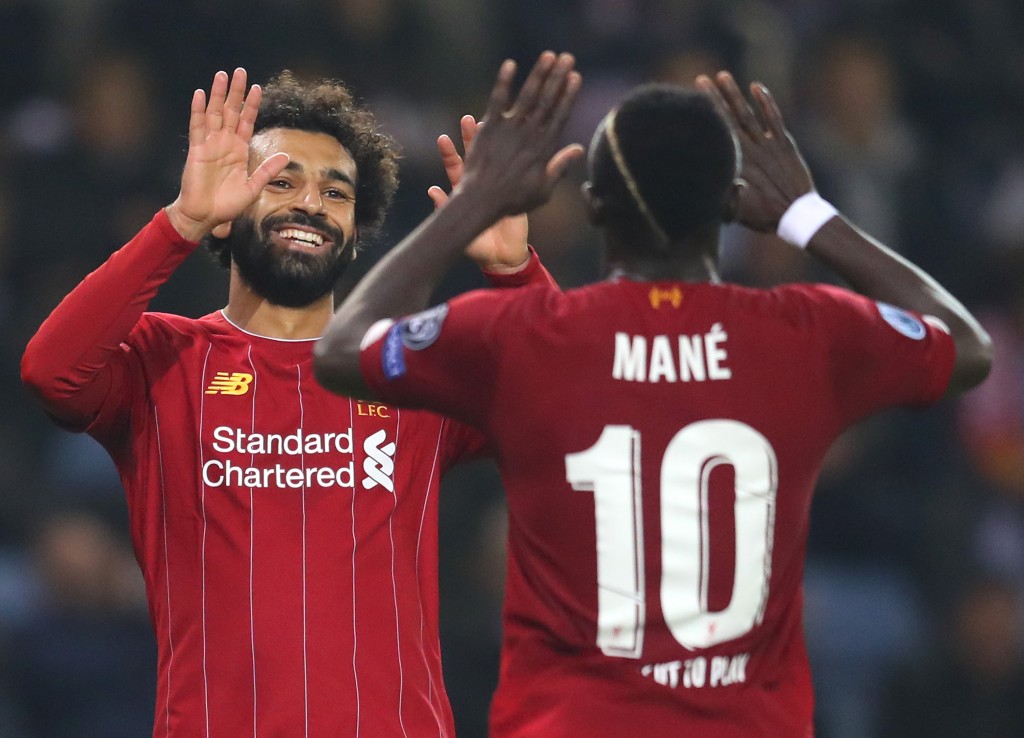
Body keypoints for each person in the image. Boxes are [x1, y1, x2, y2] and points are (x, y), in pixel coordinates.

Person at [313, 51, 992, 736]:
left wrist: (473, 205)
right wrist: (806, 214)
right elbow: (965, 346)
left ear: (592, 206)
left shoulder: (521, 335)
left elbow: (341, 351)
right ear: (731, 204)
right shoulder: (806, 333)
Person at [21, 66, 556, 737]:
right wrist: (179, 222)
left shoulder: (408, 366)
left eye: (336, 192)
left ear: (356, 234)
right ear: (226, 213)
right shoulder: (162, 361)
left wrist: (514, 269)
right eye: (281, 180)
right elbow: (51, 371)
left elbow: (562, 399)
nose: (311, 203)